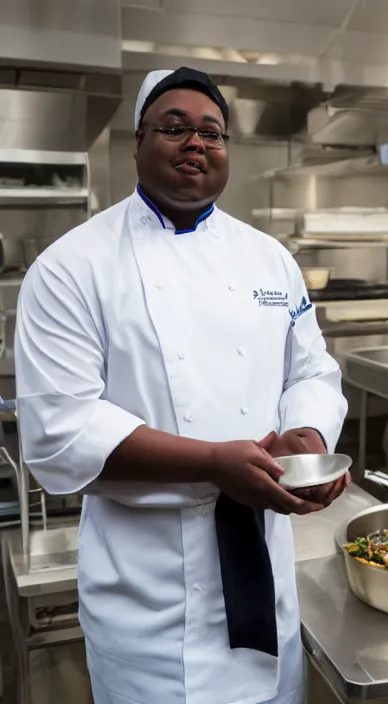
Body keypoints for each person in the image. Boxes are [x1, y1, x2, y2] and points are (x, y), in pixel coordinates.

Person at [14, 67, 348, 704]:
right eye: (174, 127)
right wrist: (214, 463)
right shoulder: (71, 266)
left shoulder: (270, 258)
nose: (196, 142)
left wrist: (307, 439)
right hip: (152, 601)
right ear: (138, 143)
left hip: (262, 565)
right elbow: (60, 431)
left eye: (212, 133)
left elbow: (310, 370)